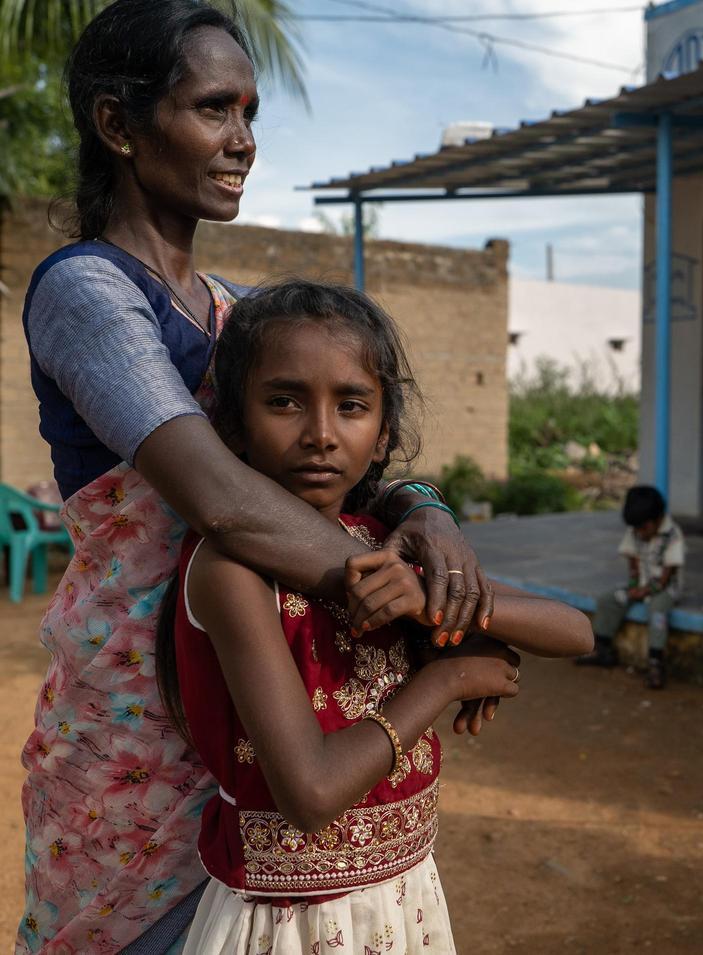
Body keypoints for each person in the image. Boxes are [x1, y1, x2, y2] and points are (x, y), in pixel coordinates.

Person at [18, 3, 493, 951]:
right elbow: (227, 499)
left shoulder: (233, 313)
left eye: (250, 114)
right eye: (213, 110)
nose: (242, 142)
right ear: (119, 126)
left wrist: (425, 511)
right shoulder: (88, 289)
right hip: (139, 729)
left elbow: (340, 466)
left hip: (260, 705)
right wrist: (455, 611)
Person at [155, 280, 593, 953]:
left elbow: (576, 630)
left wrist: (434, 597)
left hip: (405, 896)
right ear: (235, 425)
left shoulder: (380, 544)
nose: (321, 434)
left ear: (384, 428)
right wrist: (447, 679)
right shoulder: (232, 570)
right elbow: (311, 791)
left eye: (351, 405)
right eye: (283, 402)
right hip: (290, 921)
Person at [577, 485, 685, 689]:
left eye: (643, 528)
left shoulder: (672, 535)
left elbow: (666, 577)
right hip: (642, 586)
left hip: (665, 589)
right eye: (636, 529)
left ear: (658, 519)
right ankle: (602, 648)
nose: (639, 533)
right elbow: (633, 561)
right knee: (609, 599)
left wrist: (645, 591)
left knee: (657, 611)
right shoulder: (635, 529)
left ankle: (655, 662)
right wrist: (634, 586)